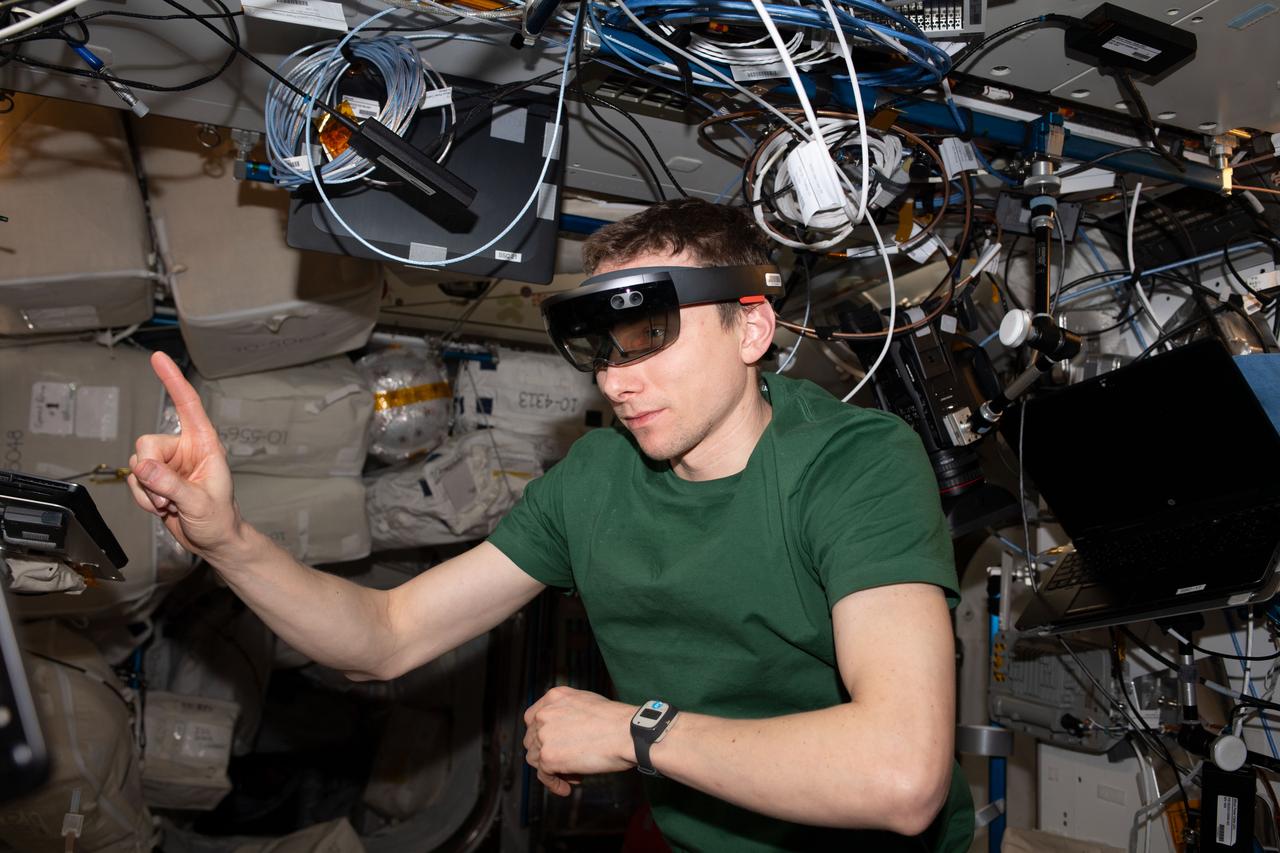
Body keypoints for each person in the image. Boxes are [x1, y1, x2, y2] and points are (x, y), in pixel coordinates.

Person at [128, 198, 974, 852]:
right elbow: (384, 635)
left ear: (750, 326)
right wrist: (226, 540)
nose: (615, 379)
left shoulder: (855, 464)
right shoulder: (594, 479)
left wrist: (633, 732)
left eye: (648, 334)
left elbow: (900, 775)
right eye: (602, 347)